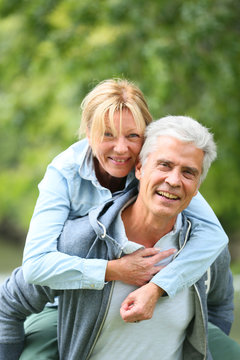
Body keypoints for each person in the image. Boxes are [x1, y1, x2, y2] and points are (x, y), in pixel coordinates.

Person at [19, 79, 228, 358]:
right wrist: (115, 270)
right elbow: (34, 265)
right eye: (108, 135)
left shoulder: (163, 173)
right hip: (67, 301)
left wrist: (157, 287)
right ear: (89, 135)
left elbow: (215, 236)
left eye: (132, 136)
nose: (121, 149)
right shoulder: (64, 172)